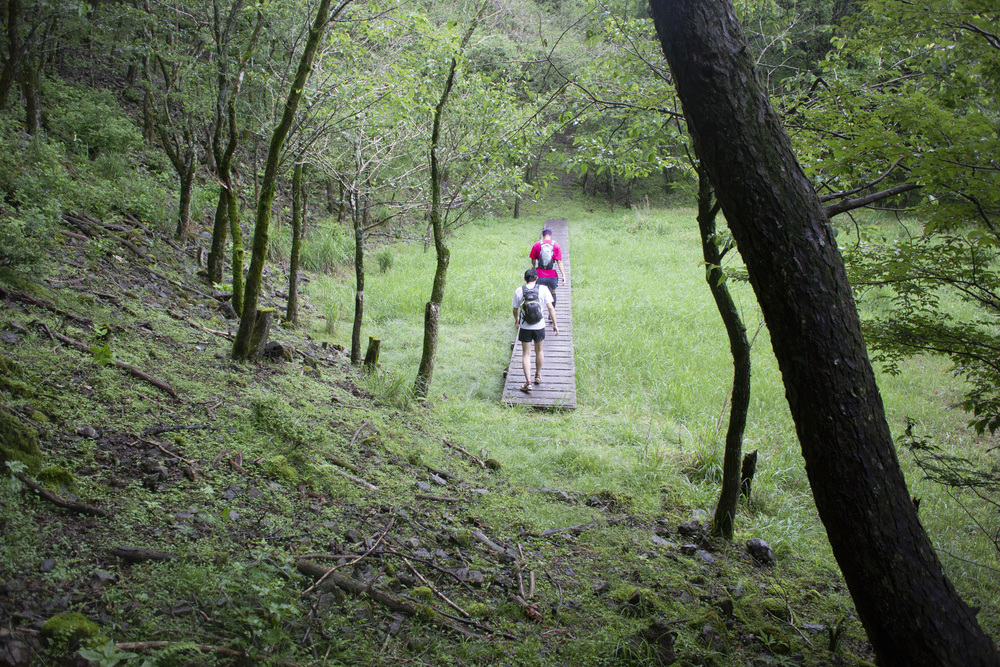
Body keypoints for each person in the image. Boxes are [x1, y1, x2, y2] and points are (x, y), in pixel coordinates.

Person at [512, 268, 559, 393]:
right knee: (539, 350)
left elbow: (515, 310)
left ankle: (528, 383)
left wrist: (517, 320)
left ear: (525, 279)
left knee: (526, 354)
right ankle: (538, 376)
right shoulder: (543, 289)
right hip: (539, 325)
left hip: (525, 326)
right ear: (537, 279)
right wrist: (555, 324)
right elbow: (550, 307)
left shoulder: (519, 290)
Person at [529, 227, 566, 307]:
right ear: (551, 235)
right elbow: (559, 262)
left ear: (542, 235)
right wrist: (563, 275)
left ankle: (539, 312)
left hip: (539, 275)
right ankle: (551, 313)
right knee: (553, 292)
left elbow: (533, 259)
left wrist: (534, 268)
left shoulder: (537, 245)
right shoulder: (556, 245)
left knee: (538, 293)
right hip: (552, 275)